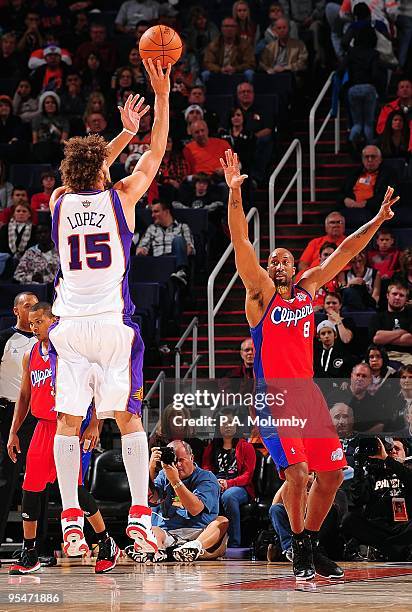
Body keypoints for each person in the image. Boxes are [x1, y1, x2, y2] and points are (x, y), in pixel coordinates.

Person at [221, 147, 398, 579]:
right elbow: (240, 241)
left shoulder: (307, 289)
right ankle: (298, 550)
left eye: (284, 258)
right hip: (275, 397)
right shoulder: (259, 295)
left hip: (309, 394)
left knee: (333, 474)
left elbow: (345, 252)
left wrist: (375, 220)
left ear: (296, 265)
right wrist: (234, 194)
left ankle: (310, 544)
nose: (276, 262)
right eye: (272, 259)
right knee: (297, 474)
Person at [47, 59, 170, 558]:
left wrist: (113, 139)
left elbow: (83, 172)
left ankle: (72, 519)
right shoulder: (121, 197)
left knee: (67, 423)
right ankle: (140, 515)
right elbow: (156, 152)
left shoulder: (56, 201)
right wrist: (160, 98)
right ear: (103, 170)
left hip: (69, 325)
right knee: (127, 418)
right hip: (111, 325)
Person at [7, 302, 119, 574]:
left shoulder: (72, 350)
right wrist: (14, 431)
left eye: (39, 322)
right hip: (42, 428)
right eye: (31, 323)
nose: (34, 328)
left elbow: (97, 385)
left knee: (75, 491)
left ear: (54, 320)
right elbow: (24, 396)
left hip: (70, 426)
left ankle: (106, 543)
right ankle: (30, 552)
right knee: (30, 490)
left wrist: (95, 423)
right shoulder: (31, 353)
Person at [141, 440, 228, 563]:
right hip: (170, 532)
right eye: (173, 460)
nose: (177, 465)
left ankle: (192, 548)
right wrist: (151, 468)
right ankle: (158, 552)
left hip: (200, 533)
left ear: (191, 458)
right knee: (153, 530)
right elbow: (152, 499)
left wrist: (175, 481)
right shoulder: (163, 474)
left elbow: (195, 509)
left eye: (181, 460)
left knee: (222, 521)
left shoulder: (207, 477)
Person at [0, 292, 39, 548]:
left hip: (37, 417)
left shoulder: (46, 341)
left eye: (35, 306)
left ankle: (38, 547)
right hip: (6, 414)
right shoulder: (5, 338)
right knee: (4, 479)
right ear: (16, 311)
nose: (32, 310)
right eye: (27, 306)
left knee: (39, 480)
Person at [342, 438, 412, 561]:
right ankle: (396, 549)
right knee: (349, 520)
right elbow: (357, 499)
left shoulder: (408, 472)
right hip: (381, 528)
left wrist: (387, 459)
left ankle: (388, 549)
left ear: (406, 453)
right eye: (389, 450)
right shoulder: (373, 474)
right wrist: (359, 467)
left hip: (405, 527)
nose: (393, 452)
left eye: (397, 449)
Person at [202, 408, 256, 548]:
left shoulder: (246, 447)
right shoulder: (211, 447)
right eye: (223, 422)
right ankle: (208, 542)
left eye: (231, 422)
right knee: (204, 495)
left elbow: (247, 476)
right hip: (217, 484)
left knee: (228, 496)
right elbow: (206, 469)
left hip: (240, 487)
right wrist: (215, 482)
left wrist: (228, 483)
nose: (227, 425)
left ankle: (234, 544)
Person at [136, 200, 195, 286]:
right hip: (158, 265)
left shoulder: (182, 227)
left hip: (175, 263)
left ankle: (181, 272)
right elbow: (142, 247)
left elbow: (191, 250)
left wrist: (184, 248)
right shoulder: (152, 228)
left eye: (156, 212)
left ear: (166, 212)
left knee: (178, 240)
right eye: (152, 212)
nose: (153, 215)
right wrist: (142, 250)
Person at [338, 145, 393, 225]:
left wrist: (366, 203)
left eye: (373, 157)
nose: (370, 160)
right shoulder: (354, 174)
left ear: (380, 159)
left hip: (373, 209)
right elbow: (341, 192)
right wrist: (345, 200)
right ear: (362, 159)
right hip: (351, 207)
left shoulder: (389, 174)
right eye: (366, 157)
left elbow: (390, 196)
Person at [369, 281, 412, 366]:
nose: (397, 297)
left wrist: (385, 338)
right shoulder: (377, 317)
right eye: (394, 294)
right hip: (381, 356)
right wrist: (402, 332)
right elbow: (377, 339)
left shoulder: (410, 316)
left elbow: (409, 340)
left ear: (406, 299)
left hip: (407, 356)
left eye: (401, 295)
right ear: (387, 295)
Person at [202, 17, 255, 83]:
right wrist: (220, 69)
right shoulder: (213, 45)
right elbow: (207, 63)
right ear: (221, 29)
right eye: (226, 26)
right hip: (219, 72)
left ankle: (247, 91)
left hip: (238, 72)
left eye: (232, 26)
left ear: (236, 29)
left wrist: (235, 69)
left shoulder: (245, 44)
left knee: (249, 73)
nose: (229, 29)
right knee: (205, 74)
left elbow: (250, 63)